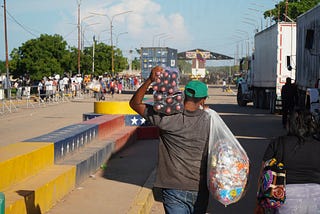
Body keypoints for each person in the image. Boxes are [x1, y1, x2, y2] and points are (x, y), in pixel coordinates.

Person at [129, 66, 210, 214]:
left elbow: (134, 104)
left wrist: (150, 80)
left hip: (173, 187)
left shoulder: (167, 117)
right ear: (203, 100)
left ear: (183, 94)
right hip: (200, 188)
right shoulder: (210, 121)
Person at [255, 109, 320, 214]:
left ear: (290, 124)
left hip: (287, 198)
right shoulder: (318, 145)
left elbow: (263, 174)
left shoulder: (278, 143)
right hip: (317, 197)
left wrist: (258, 202)